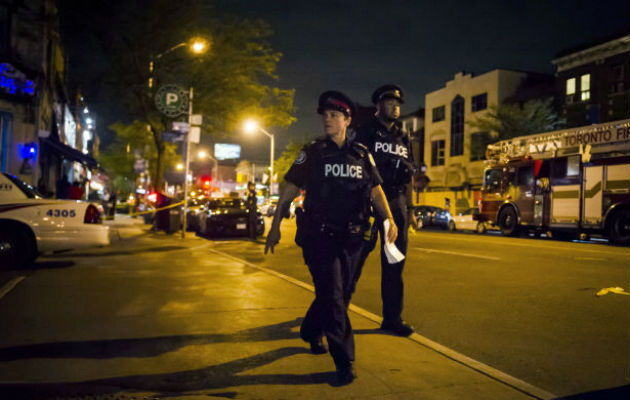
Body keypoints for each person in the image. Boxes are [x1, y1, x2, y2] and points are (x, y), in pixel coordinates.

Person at [265, 90, 397, 385]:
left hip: (354, 238)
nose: (327, 119)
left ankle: (311, 330)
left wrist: (389, 219)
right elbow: (289, 189)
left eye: (334, 115)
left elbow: (375, 191)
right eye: (325, 115)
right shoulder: (313, 151)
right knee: (334, 296)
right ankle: (344, 362)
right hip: (320, 237)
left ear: (347, 120)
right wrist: (274, 226)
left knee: (341, 293)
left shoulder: (362, 153)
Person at [354, 84, 416, 337]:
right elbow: (355, 166)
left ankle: (392, 319)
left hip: (396, 202)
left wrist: (409, 210)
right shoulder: (365, 132)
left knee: (394, 263)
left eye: (398, 102)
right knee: (354, 260)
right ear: (378, 105)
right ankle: (333, 310)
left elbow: (410, 174)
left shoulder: (404, 137)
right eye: (389, 102)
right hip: (369, 202)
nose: (395, 106)